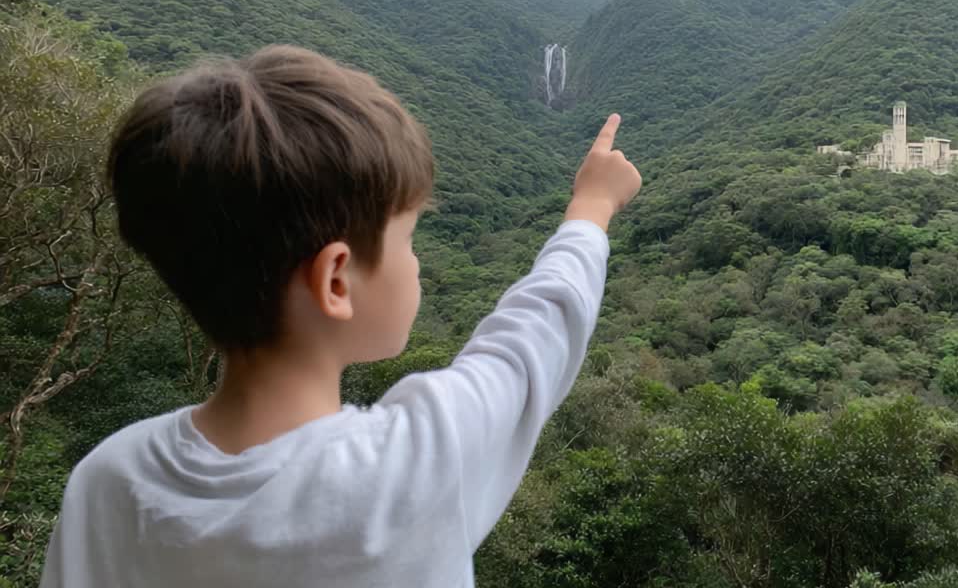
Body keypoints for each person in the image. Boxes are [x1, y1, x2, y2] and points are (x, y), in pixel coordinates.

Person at [39, 45, 642, 588]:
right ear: (335, 280)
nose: (416, 263)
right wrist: (591, 205)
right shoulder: (414, 463)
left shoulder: (106, 482)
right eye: (409, 238)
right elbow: (538, 329)